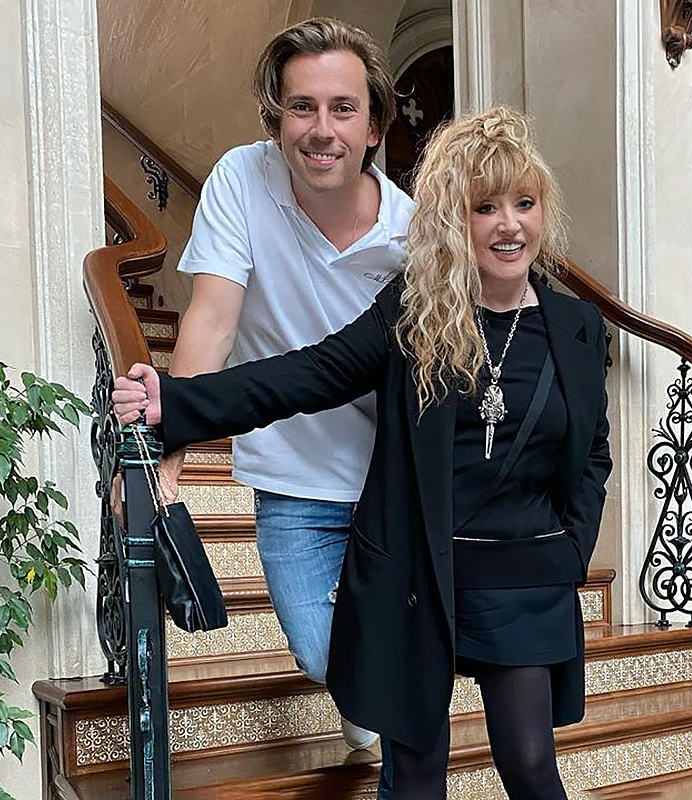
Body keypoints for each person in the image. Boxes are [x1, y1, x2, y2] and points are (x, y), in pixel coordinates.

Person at [115, 107, 612, 800]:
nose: (510, 225)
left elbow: (592, 453)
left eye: (524, 204)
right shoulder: (415, 313)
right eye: (486, 207)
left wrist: (572, 549)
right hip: (420, 573)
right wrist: (175, 402)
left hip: (525, 578)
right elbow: (309, 374)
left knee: (531, 767)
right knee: (415, 777)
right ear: (454, 220)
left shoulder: (577, 327)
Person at [158, 17, 412, 753]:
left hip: (391, 477)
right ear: (277, 119)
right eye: (302, 107)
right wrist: (169, 450)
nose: (321, 129)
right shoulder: (243, 179)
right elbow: (211, 320)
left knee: (392, 652)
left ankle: (393, 733)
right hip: (293, 476)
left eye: (343, 109)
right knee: (317, 653)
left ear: (373, 127)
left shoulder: (413, 233)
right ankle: (364, 702)